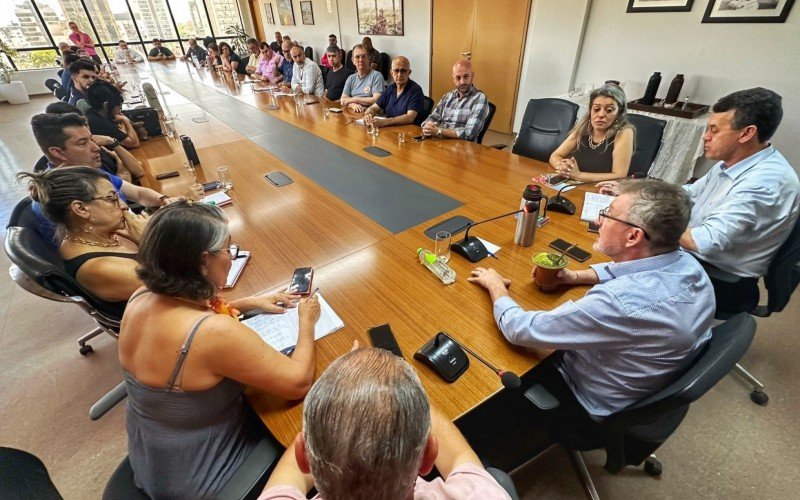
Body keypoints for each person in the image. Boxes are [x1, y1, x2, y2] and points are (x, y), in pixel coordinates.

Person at [119, 201, 320, 498]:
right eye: (227, 249)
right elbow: (297, 382)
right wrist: (307, 322)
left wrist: (250, 302)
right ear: (203, 261)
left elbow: (188, 315)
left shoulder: (141, 296)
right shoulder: (212, 333)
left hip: (155, 453)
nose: (230, 256)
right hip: (203, 474)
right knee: (321, 431)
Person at [468, 179, 714, 422]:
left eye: (608, 214)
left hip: (584, 401)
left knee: (482, 348)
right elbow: (630, 267)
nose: (598, 220)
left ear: (633, 237)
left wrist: (496, 286)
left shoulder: (619, 302)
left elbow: (521, 329)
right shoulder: (687, 263)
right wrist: (574, 277)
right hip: (646, 379)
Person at [599, 88, 800, 313]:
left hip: (718, 278)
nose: (705, 136)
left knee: (616, 247)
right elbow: (688, 193)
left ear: (746, 133)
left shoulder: (764, 183)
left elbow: (704, 242)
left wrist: (638, 215)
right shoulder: (735, 162)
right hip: (694, 257)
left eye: (714, 130)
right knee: (611, 237)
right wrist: (635, 192)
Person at [258, 348, 512, 500]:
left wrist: (349, 388)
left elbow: (290, 472)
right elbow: (458, 455)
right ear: (427, 457)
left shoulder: (299, 462)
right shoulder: (479, 495)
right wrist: (394, 384)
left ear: (305, 456)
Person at [29, 112, 199, 245]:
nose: (96, 148)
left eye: (92, 139)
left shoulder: (87, 172)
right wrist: (170, 216)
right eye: (83, 143)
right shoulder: (59, 198)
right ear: (57, 152)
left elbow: (138, 193)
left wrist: (164, 200)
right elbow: (119, 242)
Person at [18, 167, 149, 317]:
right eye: (112, 198)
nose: (124, 205)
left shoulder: (100, 232)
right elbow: (177, 288)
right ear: (81, 209)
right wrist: (150, 239)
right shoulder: (99, 268)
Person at [549, 84, 635, 182]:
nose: (601, 114)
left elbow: (619, 175)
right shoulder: (584, 126)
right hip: (574, 187)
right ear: (590, 110)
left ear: (619, 113)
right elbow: (555, 156)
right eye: (596, 109)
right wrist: (564, 167)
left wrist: (579, 176)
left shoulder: (624, 131)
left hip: (600, 191)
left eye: (609, 110)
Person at [43, 101, 144, 184]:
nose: (86, 131)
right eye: (82, 143)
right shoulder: (81, 160)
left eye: (86, 124)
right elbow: (122, 187)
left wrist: (112, 142)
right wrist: (120, 163)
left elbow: (138, 170)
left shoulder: (98, 143)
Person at [421, 60, 489, 142]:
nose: (462, 82)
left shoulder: (479, 98)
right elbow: (433, 117)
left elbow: (470, 133)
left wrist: (439, 131)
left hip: (463, 148)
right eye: (458, 78)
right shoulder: (447, 96)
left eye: (466, 76)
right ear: (453, 79)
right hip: (440, 143)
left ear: (472, 76)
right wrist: (428, 125)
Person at [364, 56, 424, 127]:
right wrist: (369, 114)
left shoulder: (416, 90)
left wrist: (385, 122)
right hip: (391, 130)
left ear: (409, 72)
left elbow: (410, 117)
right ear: (391, 72)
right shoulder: (390, 89)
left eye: (403, 71)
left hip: (408, 132)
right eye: (396, 70)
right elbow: (373, 107)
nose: (399, 75)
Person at [84, 80, 140, 150]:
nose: (120, 109)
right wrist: (124, 119)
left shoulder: (92, 113)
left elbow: (121, 133)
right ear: (106, 105)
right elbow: (134, 143)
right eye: (119, 105)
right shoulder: (99, 123)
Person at [340, 44, 384, 113]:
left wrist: (354, 99)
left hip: (371, 115)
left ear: (369, 58)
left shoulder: (377, 76)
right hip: (353, 114)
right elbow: (343, 100)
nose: (361, 60)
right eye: (357, 57)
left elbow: (377, 100)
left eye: (364, 56)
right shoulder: (351, 78)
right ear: (352, 60)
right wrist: (353, 105)